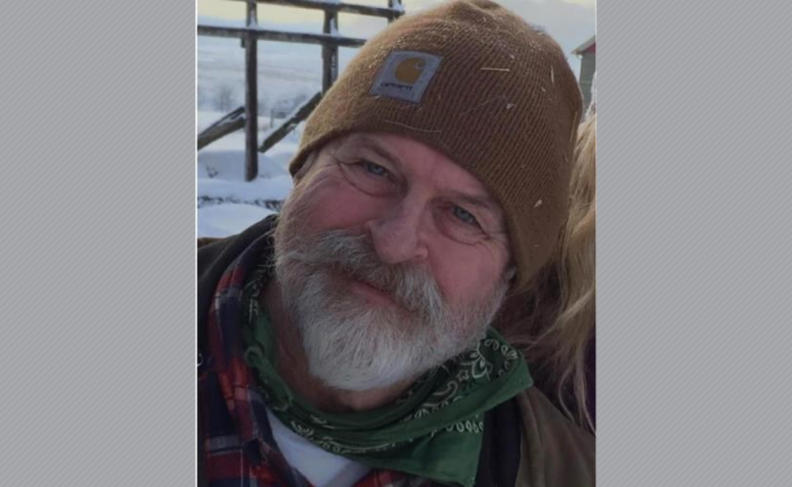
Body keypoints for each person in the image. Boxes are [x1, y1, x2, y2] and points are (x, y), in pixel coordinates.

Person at [198, 1, 595, 485]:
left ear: (509, 275)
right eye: (373, 169)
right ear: (304, 169)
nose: (394, 243)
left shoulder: (563, 471)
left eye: (464, 215)